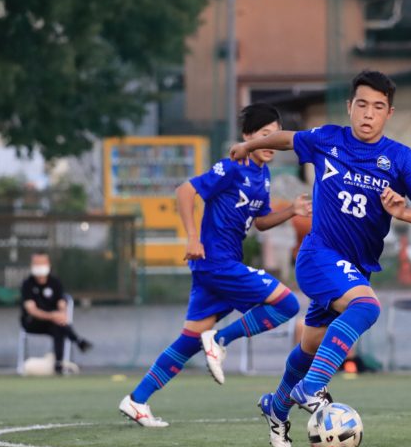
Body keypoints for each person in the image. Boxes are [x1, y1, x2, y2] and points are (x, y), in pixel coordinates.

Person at [230, 70, 411, 447]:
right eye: (361, 104)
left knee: (310, 346)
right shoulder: (328, 138)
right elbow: (287, 139)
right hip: (318, 256)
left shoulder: (398, 158)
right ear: (349, 107)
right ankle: (313, 388)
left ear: (389, 113)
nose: (368, 113)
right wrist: (250, 145)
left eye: (377, 107)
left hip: (353, 270)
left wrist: (403, 213)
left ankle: (277, 408)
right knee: (367, 306)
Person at [119, 103, 309, 427]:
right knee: (287, 304)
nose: (271, 143)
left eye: (275, 136)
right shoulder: (233, 166)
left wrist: (291, 210)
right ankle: (221, 340)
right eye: (264, 135)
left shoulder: (262, 176)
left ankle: (137, 400)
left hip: (219, 266)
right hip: (217, 262)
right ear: (247, 136)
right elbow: (185, 191)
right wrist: (192, 238)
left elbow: (261, 222)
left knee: (190, 340)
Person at [20, 252, 93, 375]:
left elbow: (61, 303)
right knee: (58, 323)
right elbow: (31, 310)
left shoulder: (55, 282)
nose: (39, 266)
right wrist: (52, 316)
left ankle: (58, 364)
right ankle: (78, 340)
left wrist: (62, 314)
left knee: (59, 326)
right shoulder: (27, 284)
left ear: (48, 264)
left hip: (53, 323)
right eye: (37, 263)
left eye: (42, 263)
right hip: (33, 322)